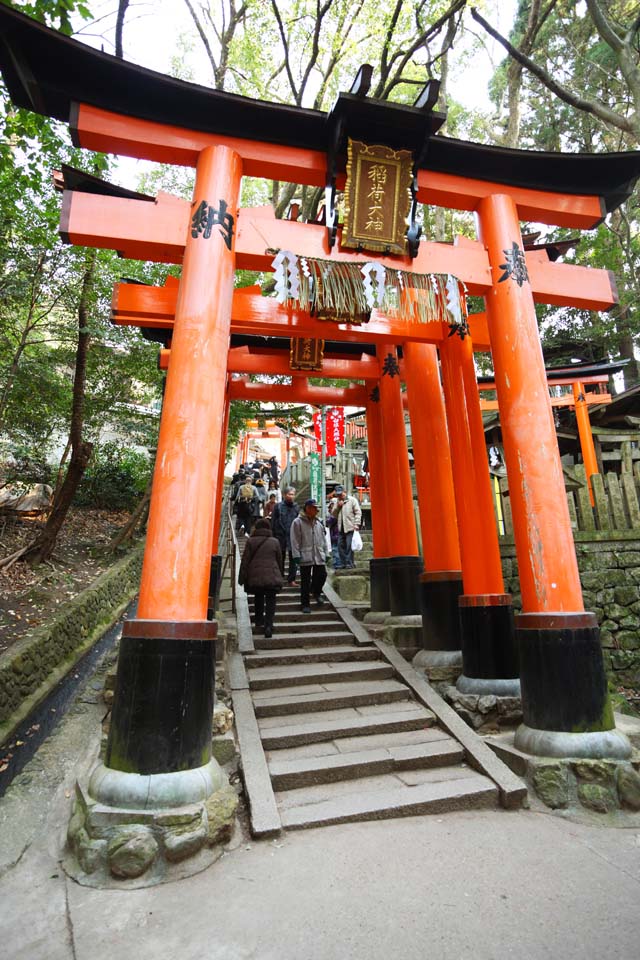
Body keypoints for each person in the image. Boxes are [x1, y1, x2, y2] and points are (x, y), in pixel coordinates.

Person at [238, 518, 283, 638]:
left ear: (256, 528)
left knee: (258, 597)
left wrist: (241, 578)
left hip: (256, 576)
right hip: (272, 575)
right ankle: (269, 625)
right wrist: (280, 575)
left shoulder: (251, 541)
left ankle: (259, 620)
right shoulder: (275, 541)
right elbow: (279, 560)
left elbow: (245, 561)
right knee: (271, 600)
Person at [290, 498, 329, 613]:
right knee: (305, 581)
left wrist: (326, 553)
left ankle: (316, 592)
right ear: (307, 509)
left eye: (317, 508)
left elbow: (323, 540)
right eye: (314, 508)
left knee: (322, 575)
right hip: (305, 554)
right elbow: (294, 540)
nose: (316, 510)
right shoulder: (297, 522)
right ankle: (305, 604)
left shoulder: (319, 522)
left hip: (318, 554)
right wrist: (296, 555)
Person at [271, 486, 299, 585]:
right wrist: (273, 535)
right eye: (289, 494)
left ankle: (291, 579)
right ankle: (279, 577)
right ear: (284, 495)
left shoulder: (296, 507)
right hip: (280, 535)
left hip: (293, 536)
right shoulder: (278, 507)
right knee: (280, 557)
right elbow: (273, 522)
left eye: (293, 494)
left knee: (293, 558)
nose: (291, 496)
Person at [331, 484, 362, 570]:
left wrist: (357, 523)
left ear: (345, 492)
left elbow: (358, 512)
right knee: (340, 545)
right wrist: (338, 506)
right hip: (341, 528)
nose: (340, 496)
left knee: (349, 546)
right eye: (338, 494)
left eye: (341, 494)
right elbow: (333, 514)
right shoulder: (337, 501)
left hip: (350, 526)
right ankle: (343, 563)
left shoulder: (352, 500)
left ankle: (349, 563)